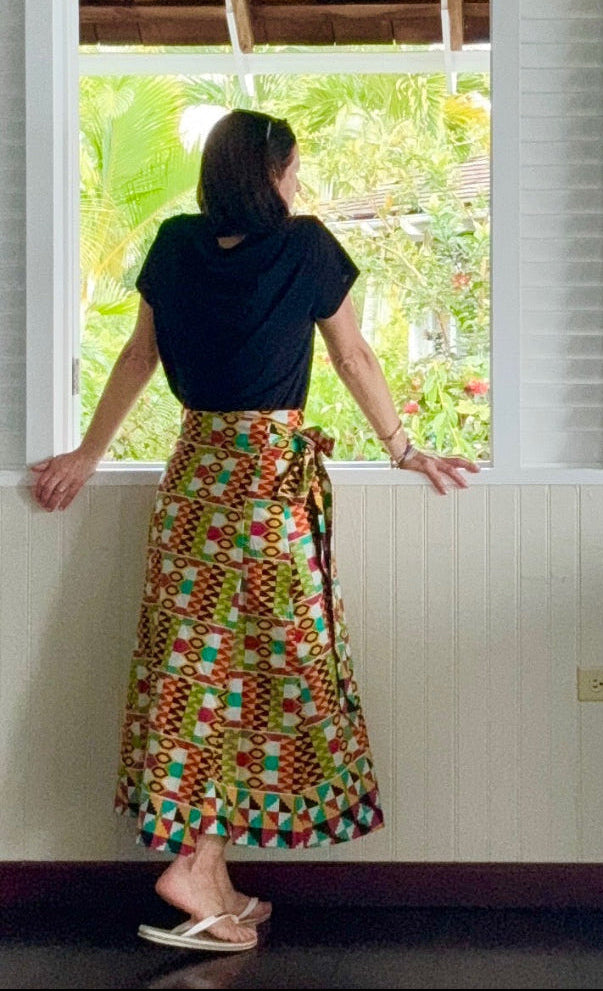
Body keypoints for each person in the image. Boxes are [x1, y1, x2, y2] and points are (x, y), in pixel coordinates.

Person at [31, 109, 479, 952]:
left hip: (195, 475)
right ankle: (191, 868)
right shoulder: (306, 246)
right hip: (266, 485)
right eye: (291, 170)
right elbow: (355, 358)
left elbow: (139, 358)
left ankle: (212, 871)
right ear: (265, 175)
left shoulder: (174, 242)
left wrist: (92, 454)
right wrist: (405, 448)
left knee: (201, 672)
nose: (297, 184)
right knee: (260, 675)